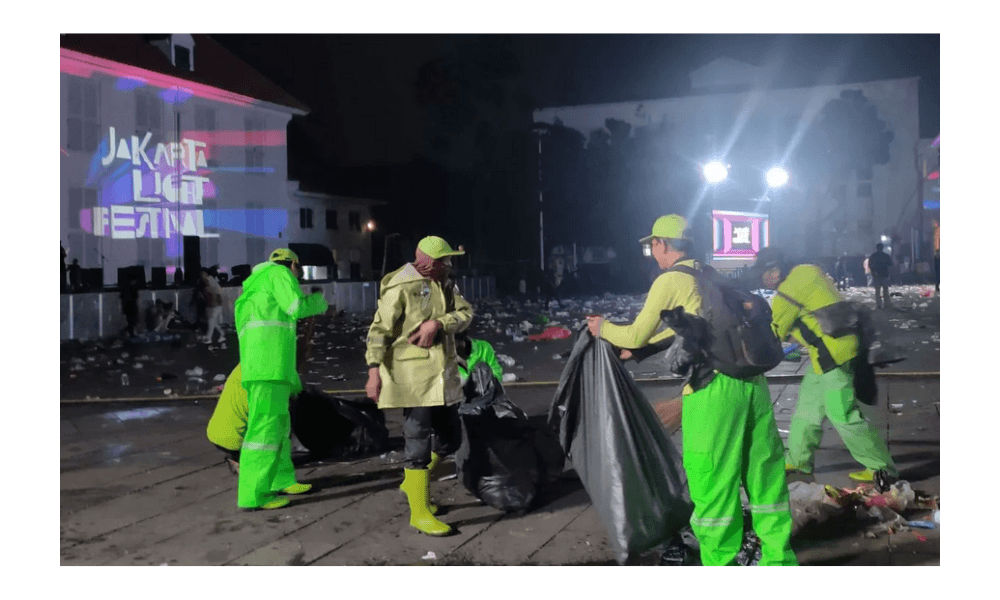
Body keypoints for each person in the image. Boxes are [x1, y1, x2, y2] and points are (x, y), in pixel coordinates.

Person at [586, 215, 796, 566]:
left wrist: (603, 327)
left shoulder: (670, 280)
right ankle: (780, 563)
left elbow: (635, 333)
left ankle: (721, 565)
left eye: (651, 244)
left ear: (662, 244)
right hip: (753, 384)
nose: (651, 251)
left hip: (713, 390)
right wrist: (643, 350)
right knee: (766, 481)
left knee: (712, 486)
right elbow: (690, 329)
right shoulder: (708, 274)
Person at [752, 247, 898, 486]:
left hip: (832, 354)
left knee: (843, 413)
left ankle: (880, 467)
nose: (763, 278)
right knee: (808, 406)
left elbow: (772, 333)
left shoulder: (786, 293)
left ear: (776, 270)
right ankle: (798, 458)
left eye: (765, 273)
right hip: (844, 342)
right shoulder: (808, 270)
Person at [364, 236, 473, 536]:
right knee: (417, 445)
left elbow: (466, 313)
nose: (449, 266)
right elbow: (379, 331)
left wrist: (438, 324)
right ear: (427, 262)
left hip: (441, 377)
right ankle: (420, 512)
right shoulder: (399, 287)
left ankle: (412, 485)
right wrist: (373, 371)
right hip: (412, 379)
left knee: (450, 439)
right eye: (444, 261)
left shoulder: (446, 284)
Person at [234, 248, 328, 511]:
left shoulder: (254, 288)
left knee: (279, 427)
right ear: (293, 266)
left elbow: (273, 333)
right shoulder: (278, 274)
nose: (297, 277)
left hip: (266, 368)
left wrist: (291, 376)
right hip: (269, 370)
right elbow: (296, 307)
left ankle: (281, 478)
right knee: (263, 432)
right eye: (298, 271)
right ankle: (254, 494)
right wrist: (318, 301)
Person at [200, 270, 226, 344]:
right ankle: (222, 334)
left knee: (211, 322)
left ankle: (208, 338)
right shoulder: (209, 283)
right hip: (213, 306)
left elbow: (216, 294)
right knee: (213, 323)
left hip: (213, 306)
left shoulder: (209, 283)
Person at [868, 243, 893, 309]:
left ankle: (879, 305)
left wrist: (873, 273)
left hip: (876, 276)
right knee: (885, 291)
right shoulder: (886, 256)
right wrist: (889, 275)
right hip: (885, 275)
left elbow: (870, 265)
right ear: (882, 248)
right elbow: (890, 266)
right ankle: (886, 305)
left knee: (877, 292)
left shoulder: (873, 256)